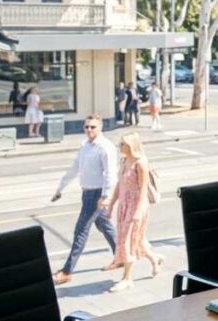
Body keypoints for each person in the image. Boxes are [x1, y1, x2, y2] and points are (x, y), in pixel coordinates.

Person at [50, 114, 117, 285]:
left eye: (93, 127)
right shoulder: (85, 145)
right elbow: (74, 168)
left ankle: (67, 271)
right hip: (87, 193)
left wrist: (106, 196)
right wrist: (60, 188)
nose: (89, 130)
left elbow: (110, 173)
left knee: (80, 231)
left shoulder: (105, 147)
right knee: (104, 225)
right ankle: (121, 256)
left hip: (97, 195)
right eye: (86, 127)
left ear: (100, 127)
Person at [105, 132, 163, 292]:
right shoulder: (124, 161)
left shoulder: (140, 163)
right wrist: (111, 205)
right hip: (124, 205)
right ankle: (155, 259)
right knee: (137, 241)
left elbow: (143, 189)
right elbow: (119, 185)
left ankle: (127, 278)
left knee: (127, 240)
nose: (119, 146)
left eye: (122, 144)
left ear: (131, 145)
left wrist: (137, 212)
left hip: (136, 206)